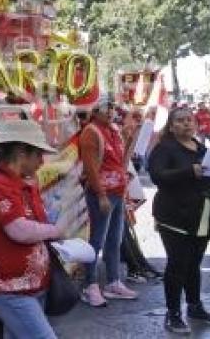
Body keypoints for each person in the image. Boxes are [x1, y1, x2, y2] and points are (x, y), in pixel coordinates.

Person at [0, 121, 62, 339]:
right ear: (22, 153)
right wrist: (58, 230)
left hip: (30, 286)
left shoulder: (23, 183)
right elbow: (19, 230)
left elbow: (37, 224)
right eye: (38, 155)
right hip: (10, 289)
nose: (42, 161)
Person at [148, 106, 210, 333]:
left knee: (194, 264)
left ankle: (194, 305)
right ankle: (173, 313)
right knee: (177, 264)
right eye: (180, 120)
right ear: (171, 126)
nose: (186, 124)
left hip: (201, 214)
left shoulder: (202, 148)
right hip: (173, 216)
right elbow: (157, 176)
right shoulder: (165, 148)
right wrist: (190, 171)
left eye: (189, 120)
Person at [79, 94, 138, 307]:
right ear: (95, 111)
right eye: (107, 107)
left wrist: (131, 139)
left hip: (117, 192)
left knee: (115, 239)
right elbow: (90, 168)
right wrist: (101, 195)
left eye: (113, 107)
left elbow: (122, 163)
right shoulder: (90, 132)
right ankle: (89, 285)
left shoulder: (113, 131)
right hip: (101, 193)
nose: (112, 111)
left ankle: (113, 282)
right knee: (97, 241)